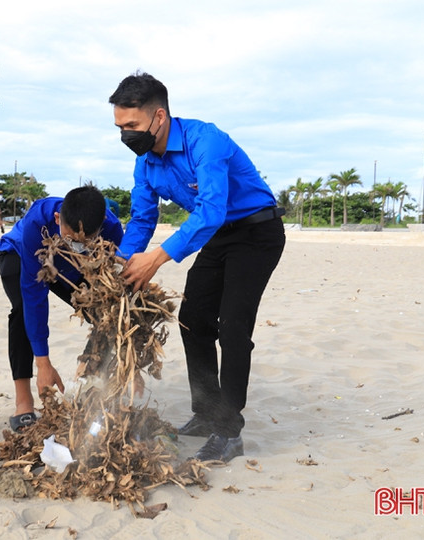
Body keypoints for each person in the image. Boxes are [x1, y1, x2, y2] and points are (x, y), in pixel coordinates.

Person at [109, 72, 285, 463]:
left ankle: (228, 430)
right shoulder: (145, 164)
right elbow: (141, 220)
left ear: (159, 116)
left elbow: (210, 208)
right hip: (219, 235)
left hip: (257, 232)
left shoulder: (207, 142)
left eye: (132, 126)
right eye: (120, 128)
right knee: (192, 320)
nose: (126, 135)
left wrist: (156, 258)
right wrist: (121, 266)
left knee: (233, 327)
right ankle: (206, 413)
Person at [0, 186, 124, 431]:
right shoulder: (39, 221)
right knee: (23, 311)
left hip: (70, 268)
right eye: (72, 238)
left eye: (84, 240)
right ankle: (24, 401)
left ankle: (88, 380)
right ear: (58, 219)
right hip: (21, 256)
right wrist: (43, 363)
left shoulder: (112, 229)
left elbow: (103, 279)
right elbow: (35, 295)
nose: (77, 244)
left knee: (107, 312)